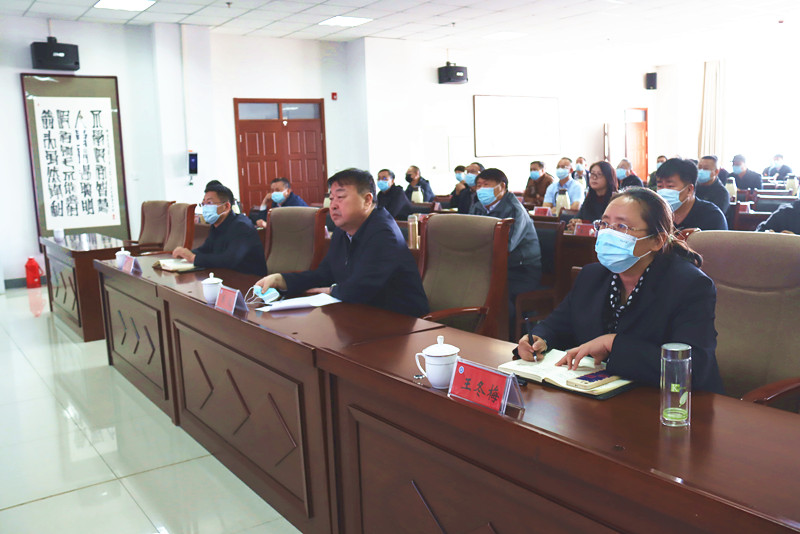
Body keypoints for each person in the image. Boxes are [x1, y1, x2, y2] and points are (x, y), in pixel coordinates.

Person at [516, 187, 724, 393]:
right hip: (600, 396)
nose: (608, 233)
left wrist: (613, 343)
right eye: (604, 224)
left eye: (622, 227)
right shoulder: (592, 276)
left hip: (672, 401)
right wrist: (539, 339)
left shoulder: (689, 285)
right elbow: (557, 325)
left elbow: (692, 367)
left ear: (657, 240)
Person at [255, 168, 429, 317]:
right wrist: (283, 280)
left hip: (401, 322)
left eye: (341, 197)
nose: (333, 206)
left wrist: (332, 291)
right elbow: (324, 274)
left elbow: (362, 288)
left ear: (367, 200)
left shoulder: (384, 233)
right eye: (331, 199)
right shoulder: (343, 230)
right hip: (361, 315)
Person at [470, 168, 542, 322]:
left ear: (502, 186)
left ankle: (506, 333)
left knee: (493, 294)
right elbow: (469, 235)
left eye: (486, 185)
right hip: (492, 267)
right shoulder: (477, 207)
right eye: (479, 185)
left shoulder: (515, 210)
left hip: (521, 271)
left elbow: (505, 246)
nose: (481, 190)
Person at [173, 180, 267, 276]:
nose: (205, 208)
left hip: (249, 279)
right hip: (225, 276)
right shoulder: (216, 225)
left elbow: (229, 259)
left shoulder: (242, 226)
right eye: (203, 204)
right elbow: (206, 249)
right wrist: (185, 254)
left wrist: (193, 258)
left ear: (226, 206)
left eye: (209, 203)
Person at [656, 158, 727, 231]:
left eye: (670, 186)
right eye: (660, 186)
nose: (664, 191)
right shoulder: (655, 214)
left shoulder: (712, 216)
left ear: (689, 190)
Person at [568, 161, 618, 230]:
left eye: (599, 174)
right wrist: (575, 223)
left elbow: (605, 225)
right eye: (592, 174)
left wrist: (583, 224)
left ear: (608, 178)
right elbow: (579, 217)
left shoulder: (616, 200)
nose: (594, 177)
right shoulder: (590, 198)